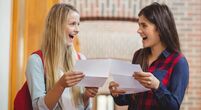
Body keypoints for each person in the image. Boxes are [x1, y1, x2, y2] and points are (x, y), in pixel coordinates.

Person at [109, 2, 189, 110]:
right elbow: (129, 99)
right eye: (139, 25)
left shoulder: (178, 62)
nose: (138, 30)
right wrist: (117, 93)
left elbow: (174, 106)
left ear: (160, 28)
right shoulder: (138, 55)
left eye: (144, 25)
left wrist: (157, 86)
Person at [26, 3, 98, 110]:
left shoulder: (81, 59)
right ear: (56, 26)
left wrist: (86, 96)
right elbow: (38, 108)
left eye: (78, 24)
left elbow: (83, 107)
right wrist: (60, 85)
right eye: (73, 24)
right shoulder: (36, 61)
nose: (77, 29)